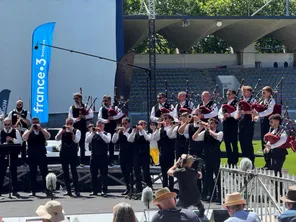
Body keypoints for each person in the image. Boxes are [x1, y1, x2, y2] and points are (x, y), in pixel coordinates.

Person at [192, 118, 223, 202]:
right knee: (208, 177)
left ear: (216, 124)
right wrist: (200, 128)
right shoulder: (205, 133)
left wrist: (208, 129)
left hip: (216, 157)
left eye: (212, 123)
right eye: (209, 123)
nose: (210, 125)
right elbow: (194, 138)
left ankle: (220, 195)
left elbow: (216, 137)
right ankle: (211, 195)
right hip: (207, 157)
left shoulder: (219, 132)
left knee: (217, 177)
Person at [22, 117, 51, 196]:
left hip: (41, 154)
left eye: (37, 122)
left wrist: (40, 129)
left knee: (44, 172)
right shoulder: (28, 131)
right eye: (34, 123)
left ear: (39, 122)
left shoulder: (43, 130)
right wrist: (31, 129)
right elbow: (24, 138)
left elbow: (48, 136)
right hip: (32, 155)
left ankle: (47, 189)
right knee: (32, 173)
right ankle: (33, 190)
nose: (35, 124)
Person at [55, 118, 81, 197]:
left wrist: (72, 133)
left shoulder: (77, 131)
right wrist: (62, 132)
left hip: (72, 153)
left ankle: (77, 190)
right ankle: (68, 190)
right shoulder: (62, 129)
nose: (69, 125)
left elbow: (76, 140)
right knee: (65, 172)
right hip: (64, 153)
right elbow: (56, 138)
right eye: (67, 123)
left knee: (74, 172)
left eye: (70, 123)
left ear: (73, 124)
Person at [252, 86, 276, 170]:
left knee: (269, 141)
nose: (262, 94)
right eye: (262, 92)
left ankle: (271, 162)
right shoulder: (262, 101)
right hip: (263, 122)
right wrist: (256, 117)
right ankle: (267, 162)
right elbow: (259, 111)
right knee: (263, 142)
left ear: (269, 93)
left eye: (264, 92)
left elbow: (269, 111)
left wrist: (258, 114)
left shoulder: (271, 100)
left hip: (269, 123)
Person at [86, 120, 111, 197]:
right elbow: (87, 140)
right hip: (94, 156)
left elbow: (108, 140)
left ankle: (104, 190)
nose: (99, 126)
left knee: (104, 174)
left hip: (103, 156)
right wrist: (93, 132)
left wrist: (100, 133)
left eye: (100, 125)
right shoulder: (92, 134)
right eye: (98, 125)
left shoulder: (107, 134)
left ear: (103, 126)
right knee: (93, 174)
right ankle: (94, 190)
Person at [98, 95, 124, 166]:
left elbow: (121, 114)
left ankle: (111, 160)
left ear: (109, 101)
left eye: (106, 101)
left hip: (112, 128)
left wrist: (113, 117)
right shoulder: (101, 109)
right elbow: (99, 118)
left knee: (111, 144)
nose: (104, 102)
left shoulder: (114, 108)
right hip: (104, 128)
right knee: (103, 144)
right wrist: (106, 120)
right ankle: (103, 160)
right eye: (104, 101)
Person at [68, 92, 94, 166]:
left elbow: (91, 114)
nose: (75, 100)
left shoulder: (85, 106)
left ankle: (82, 161)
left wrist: (84, 117)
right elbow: (70, 117)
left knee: (82, 145)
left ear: (80, 99)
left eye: (77, 98)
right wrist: (76, 119)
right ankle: (74, 161)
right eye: (74, 98)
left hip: (82, 127)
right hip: (75, 128)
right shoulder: (72, 107)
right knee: (74, 145)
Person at [152, 113, 176, 191]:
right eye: (163, 119)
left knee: (170, 172)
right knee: (164, 172)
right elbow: (155, 138)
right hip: (162, 152)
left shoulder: (173, 128)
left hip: (170, 152)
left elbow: (171, 136)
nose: (164, 121)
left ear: (170, 119)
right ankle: (165, 188)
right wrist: (157, 128)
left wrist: (170, 127)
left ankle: (171, 188)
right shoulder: (160, 130)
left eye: (165, 119)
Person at [127, 120, 152, 193]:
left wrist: (142, 130)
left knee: (146, 173)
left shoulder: (147, 133)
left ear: (145, 125)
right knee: (137, 173)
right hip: (137, 156)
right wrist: (133, 131)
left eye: (141, 124)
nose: (140, 125)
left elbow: (148, 138)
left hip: (145, 156)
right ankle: (139, 189)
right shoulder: (135, 134)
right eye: (139, 124)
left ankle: (149, 188)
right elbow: (129, 140)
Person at [0, 118, 22, 197]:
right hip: (3, 155)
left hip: (13, 154)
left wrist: (12, 139)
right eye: (5, 124)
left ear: (11, 124)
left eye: (8, 124)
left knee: (13, 172)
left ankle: (15, 190)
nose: (7, 126)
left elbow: (20, 142)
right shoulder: (1, 132)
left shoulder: (15, 131)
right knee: (1, 173)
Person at [235, 86, 256, 165]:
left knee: (248, 141)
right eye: (243, 91)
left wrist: (245, 112)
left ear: (250, 92)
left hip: (249, 122)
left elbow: (254, 111)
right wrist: (237, 114)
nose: (243, 93)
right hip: (241, 122)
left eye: (245, 91)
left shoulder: (253, 100)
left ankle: (251, 160)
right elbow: (238, 110)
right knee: (242, 141)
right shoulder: (241, 101)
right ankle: (245, 160)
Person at [112, 117, 133, 195]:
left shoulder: (131, 131)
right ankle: (127, 187)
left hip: (130, 154)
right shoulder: (120, 132)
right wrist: (117, 132)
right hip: (122, 154)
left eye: (125, 123)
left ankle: (132, 188)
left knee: (130, 171)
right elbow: (113, 140)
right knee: (124, 172)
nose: (124, 125)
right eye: (122, 123)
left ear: (129, 123)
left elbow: (130, 139)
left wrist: (125, 132)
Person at [218, 89, 238, 167]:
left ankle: (235, 161)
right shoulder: (224, 104)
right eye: (227, 94)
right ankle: (229, 160)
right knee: (227, 144)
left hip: (233, 124)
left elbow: (237, 112)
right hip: (226, 124)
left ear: (234, 95)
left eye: (229, 94)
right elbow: (219, 112)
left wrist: (230, 115)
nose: (227, 95)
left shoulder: (236, 103)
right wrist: (222, 117)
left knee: (234, 143)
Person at [8, 100, 31, 165]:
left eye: (20, 104)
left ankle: (23, 161)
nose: (18, 106)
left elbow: (29, 122)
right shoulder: (12, 112)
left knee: (23, 146)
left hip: (23, 131)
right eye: (17, 105)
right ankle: (14, 161)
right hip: (15, 131)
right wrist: (11, 125)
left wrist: (21, 118)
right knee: (14, 145)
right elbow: (8, 121)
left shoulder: (26, 112)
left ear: (22, 105)